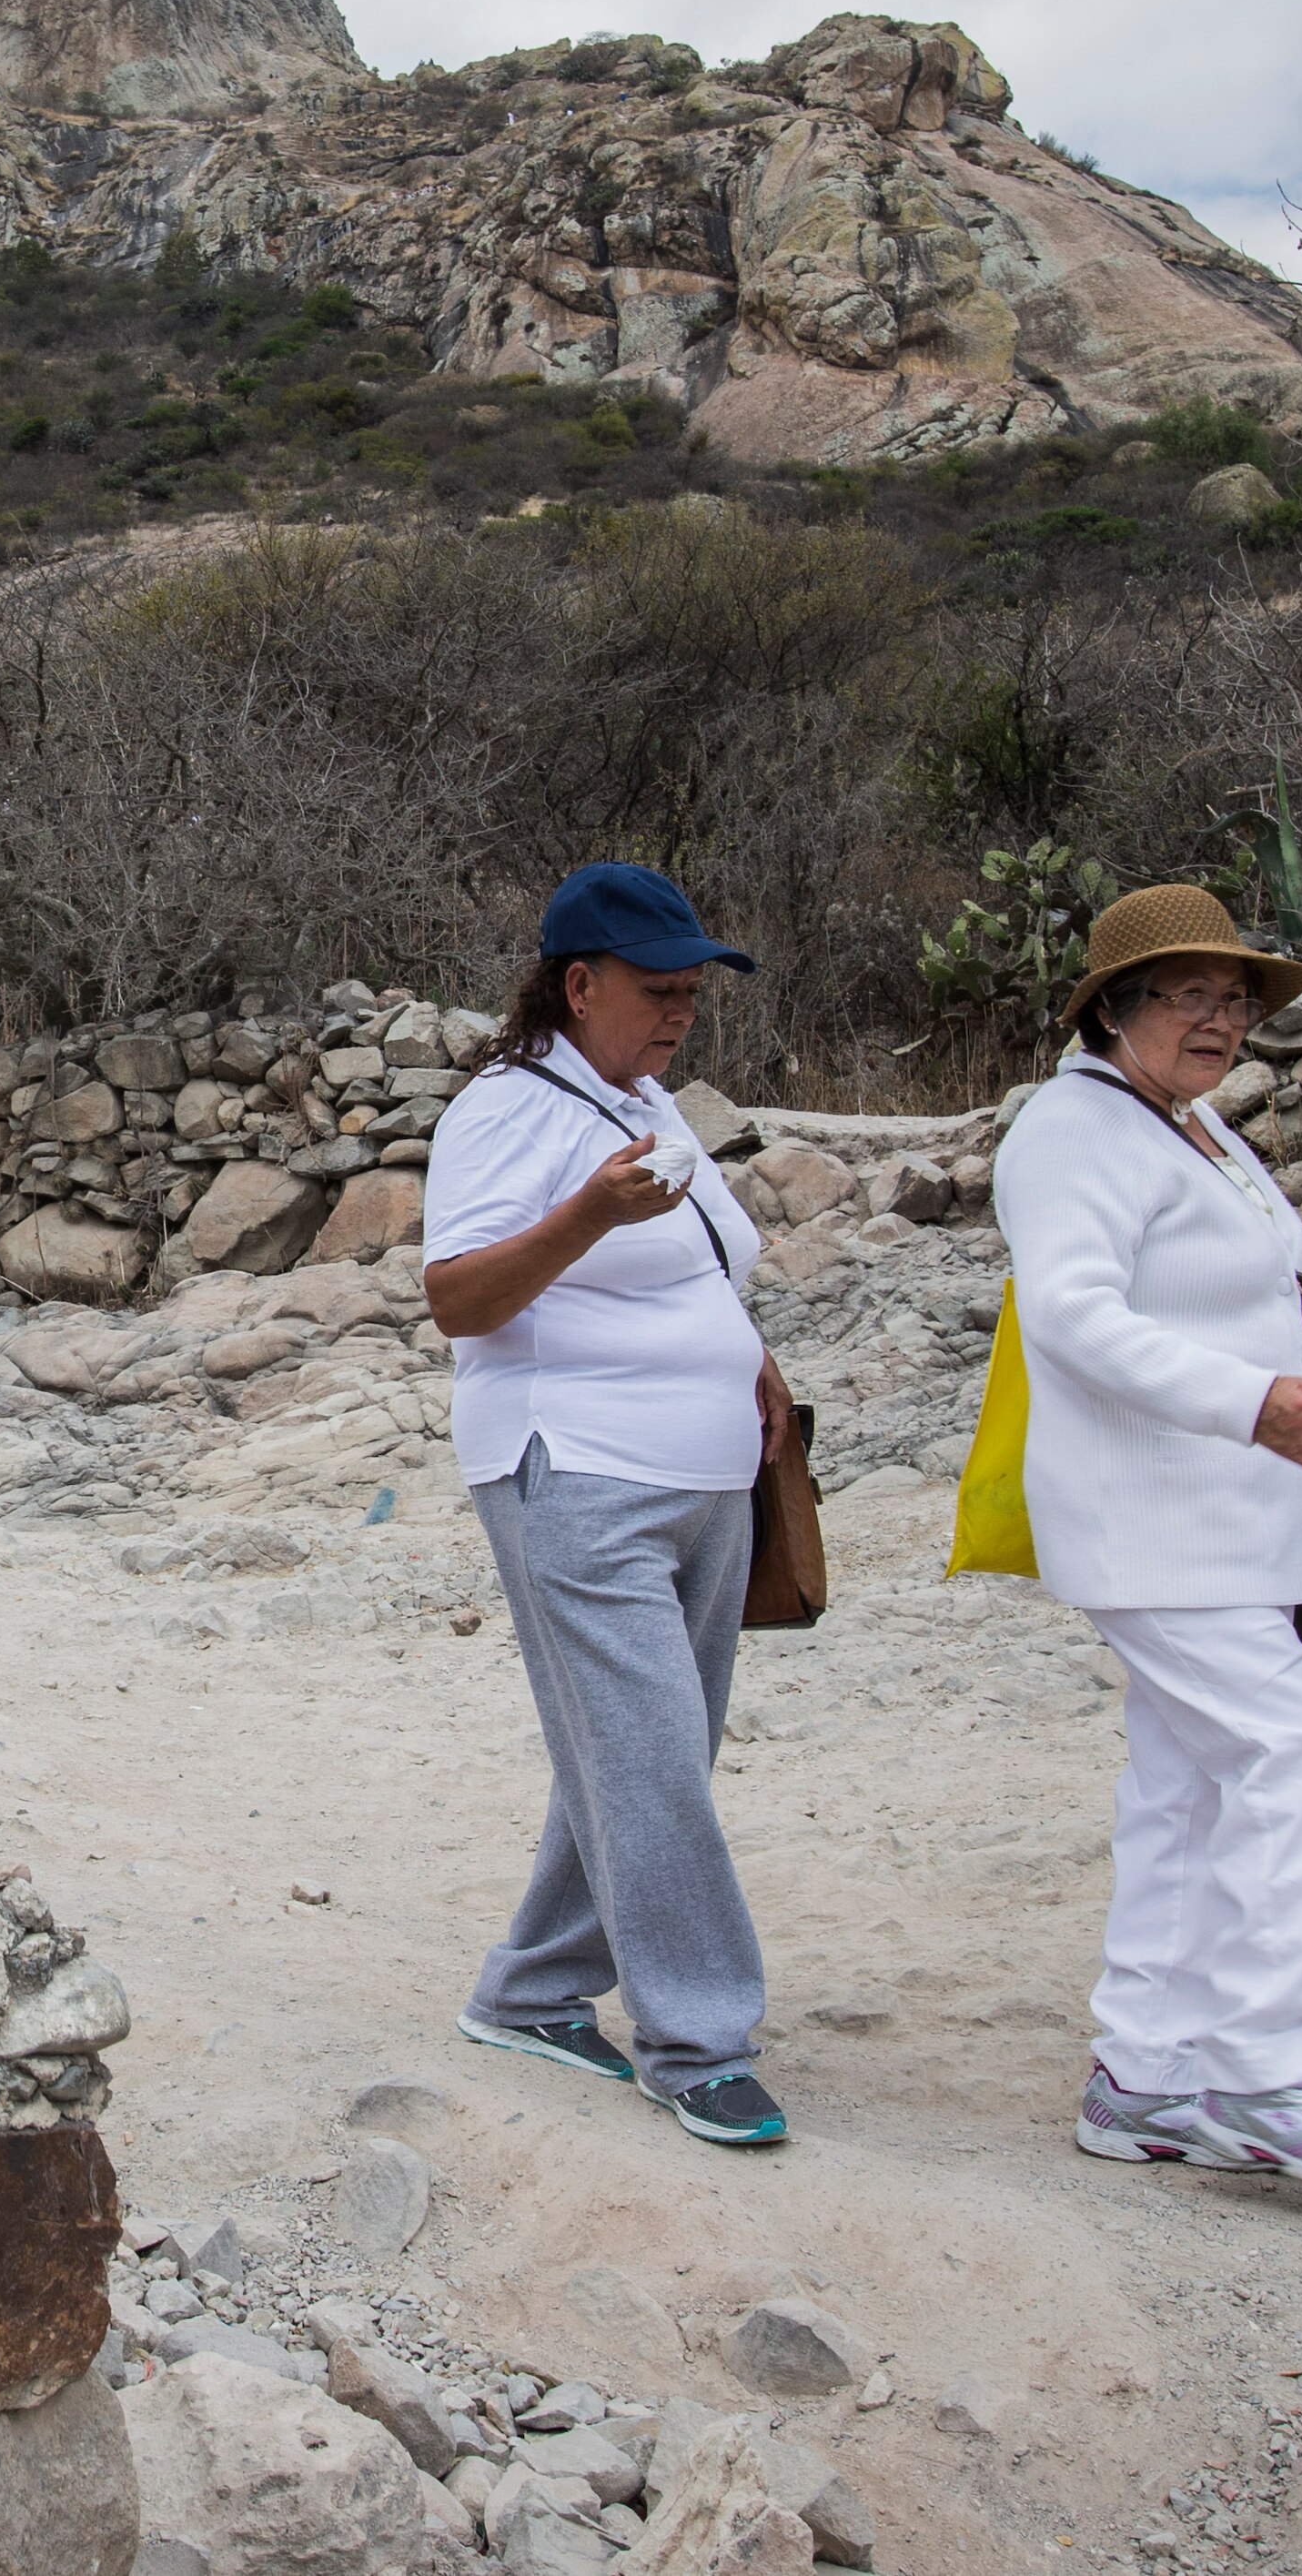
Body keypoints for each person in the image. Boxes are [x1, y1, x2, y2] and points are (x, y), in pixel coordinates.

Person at [993, 883, 1302, 2191]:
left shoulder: (1190, 1129)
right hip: (1156, 1526)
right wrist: (1254, 1403)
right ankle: (1269, 2070)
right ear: (1116, 1006)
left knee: (1184, 1792)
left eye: (1235, 999)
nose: (1221, 1019)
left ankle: (1147, 2070)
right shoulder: (1074, 1130)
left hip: (1230, 1520)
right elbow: (1071, 1317)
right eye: (1190, 994)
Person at [421, 861, 801, 2151]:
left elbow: (706, 1262)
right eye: (659, 989)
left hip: (703, 1477)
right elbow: (461, 1300)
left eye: (694, 990)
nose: (682, 1010)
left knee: (653, 1751)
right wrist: (584, 1213)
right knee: (644, 1752)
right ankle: (699, 2040)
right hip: (572, 1467)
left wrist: (754, 1357)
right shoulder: (506, 1111)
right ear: (577, 986)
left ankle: (532, 1989)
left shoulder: (641, 1096)